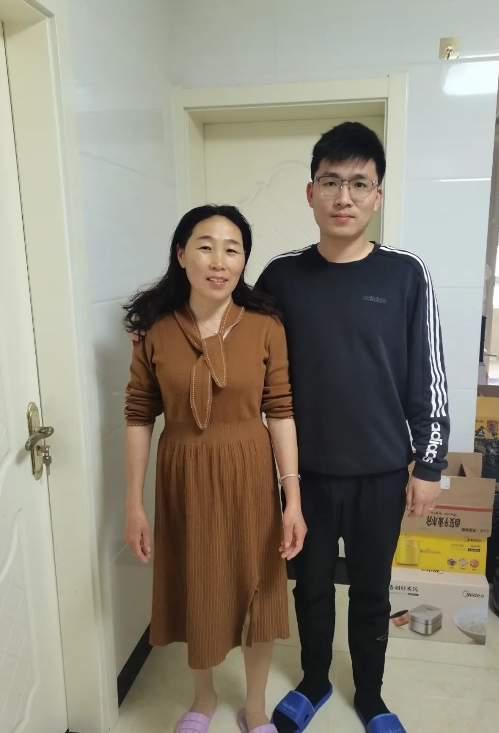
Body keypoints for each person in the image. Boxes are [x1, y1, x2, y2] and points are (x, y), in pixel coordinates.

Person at [256, 122, 450, 733]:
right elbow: (234, 335)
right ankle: (314, 682)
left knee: (371, 590)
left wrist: (430, 464)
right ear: (310, 193)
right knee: (311, 588)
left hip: (382, 473)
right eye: (331, 182)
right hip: (305, 476)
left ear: (378, 195)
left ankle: (370, 695)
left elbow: (430, 375)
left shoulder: (405, 273)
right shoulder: (281, 277)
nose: (344, 197)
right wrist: (156, 320)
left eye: (359, 183)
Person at [123, 204, 307, 733]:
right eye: (205, 247)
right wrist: (133, 504)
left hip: (251, 475)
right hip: (184, 476)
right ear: (181, 255)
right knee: (197, 586)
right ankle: (202, 700)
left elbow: (281, 411)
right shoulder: (155, 331)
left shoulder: (266, 326)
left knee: (259, 591)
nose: (219, 261)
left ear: (244, 260)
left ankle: (255, 707)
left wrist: (292, 499)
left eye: (232, 249)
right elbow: (139, 414)